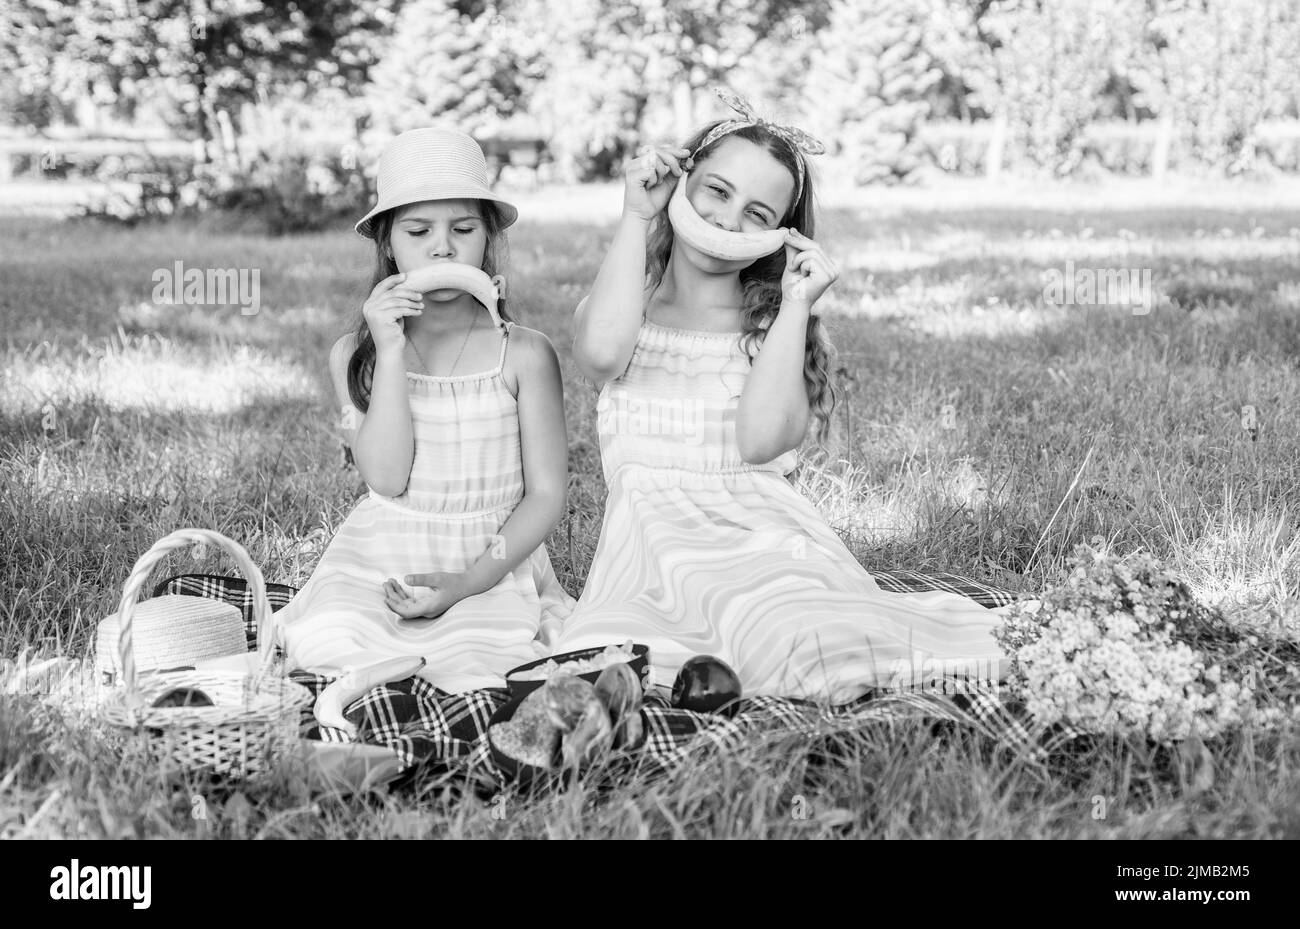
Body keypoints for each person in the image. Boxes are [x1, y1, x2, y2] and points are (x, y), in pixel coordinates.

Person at [554, 91, 1014, 705]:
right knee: (620, 664)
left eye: (757, 213)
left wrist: (796, 306)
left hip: (761, 540)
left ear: (779, 237)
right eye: (716, 191)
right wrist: (637, 217)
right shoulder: (623, 304)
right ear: (680, 183)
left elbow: (760, 442)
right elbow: (600, 356)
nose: (725, 219)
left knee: (803, 643)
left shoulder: (769, 329)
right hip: (650, 550)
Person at [276, 128, 573, 694]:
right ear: (389, 244)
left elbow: (546, 494)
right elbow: (386, 478)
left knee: (480, 666)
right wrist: (388, 352)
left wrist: (464, 583)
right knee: (333, 644)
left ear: (488, 240)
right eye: (419, 231)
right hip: (381, 554)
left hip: (491, 561)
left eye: (463, 230)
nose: (443, 248)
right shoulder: (353, 356)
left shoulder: (524, 353)